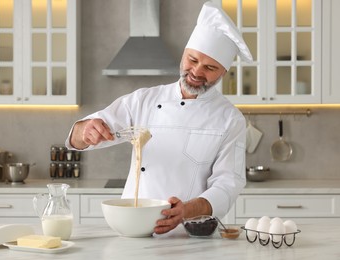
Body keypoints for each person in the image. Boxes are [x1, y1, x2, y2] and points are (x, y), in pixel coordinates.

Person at [66, 1, 252, 235]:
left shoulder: (230, 119)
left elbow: (228, 184)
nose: (196, 72)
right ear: (184, 54)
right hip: (131, 230)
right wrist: (86, 131)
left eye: (210, 68)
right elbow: (78, 137)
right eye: (192, 60)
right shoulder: (143, 100)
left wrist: (187, 210)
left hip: (187, 235)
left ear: (224, 71)